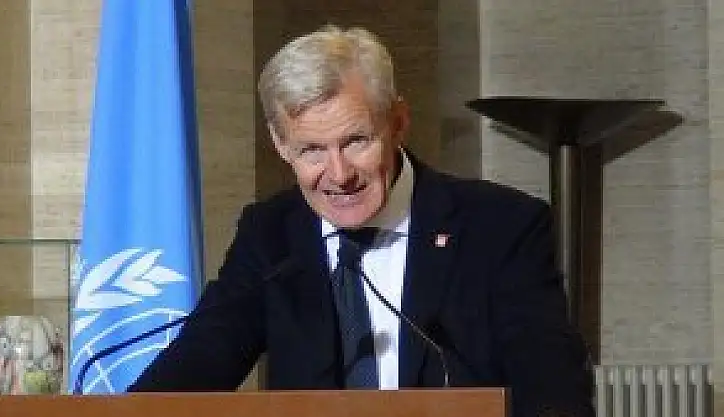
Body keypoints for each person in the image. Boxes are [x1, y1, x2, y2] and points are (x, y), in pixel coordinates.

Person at [129, 25, 594, 417]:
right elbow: (193, 368)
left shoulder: (500, 227)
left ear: (398, 122)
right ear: (281, 145)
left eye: (356, 141)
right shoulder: (271, 236)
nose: (339, 175)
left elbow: (553, 389)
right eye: (312, 150)